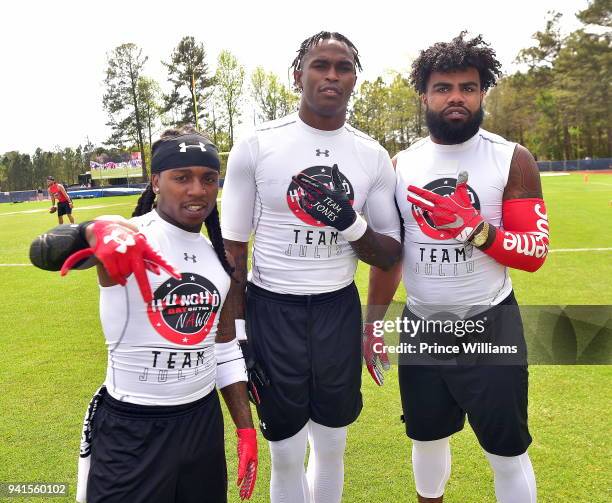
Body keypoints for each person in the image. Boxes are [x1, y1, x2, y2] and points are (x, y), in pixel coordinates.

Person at [220, 31, 402, 503]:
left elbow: (388, 253)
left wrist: (349, 222)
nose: (331, 76)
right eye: (321, 65)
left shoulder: (371, 155)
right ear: (298, 73)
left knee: (333, 443)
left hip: (336, 310)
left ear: (354, 79)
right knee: (285, 448)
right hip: (272, 310)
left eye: (343, 67)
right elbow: (233, 253)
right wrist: (238, 333)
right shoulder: (258, 145)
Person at [30, 127, 258, 503]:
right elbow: (43, 253)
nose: (197, 190)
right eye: (181, 178)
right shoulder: (129, 237)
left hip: (202, 424)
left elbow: (224, 348)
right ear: (155, 182)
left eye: (208, 179)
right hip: (133, 426)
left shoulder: (221, 258)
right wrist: (92, 230)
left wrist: (245, 430)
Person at [367, 33, 548, 503]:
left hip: (490, 322)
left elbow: (534, 253)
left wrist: (476, 230)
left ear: (482, 92)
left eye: (468, 87)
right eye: (444, 87)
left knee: (506, 450)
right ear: (424, 95)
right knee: (426, 438)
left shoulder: (512, 158)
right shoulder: (401, 165)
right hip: (424, 325)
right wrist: (372, 322)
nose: (456, 97)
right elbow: (391, 257)